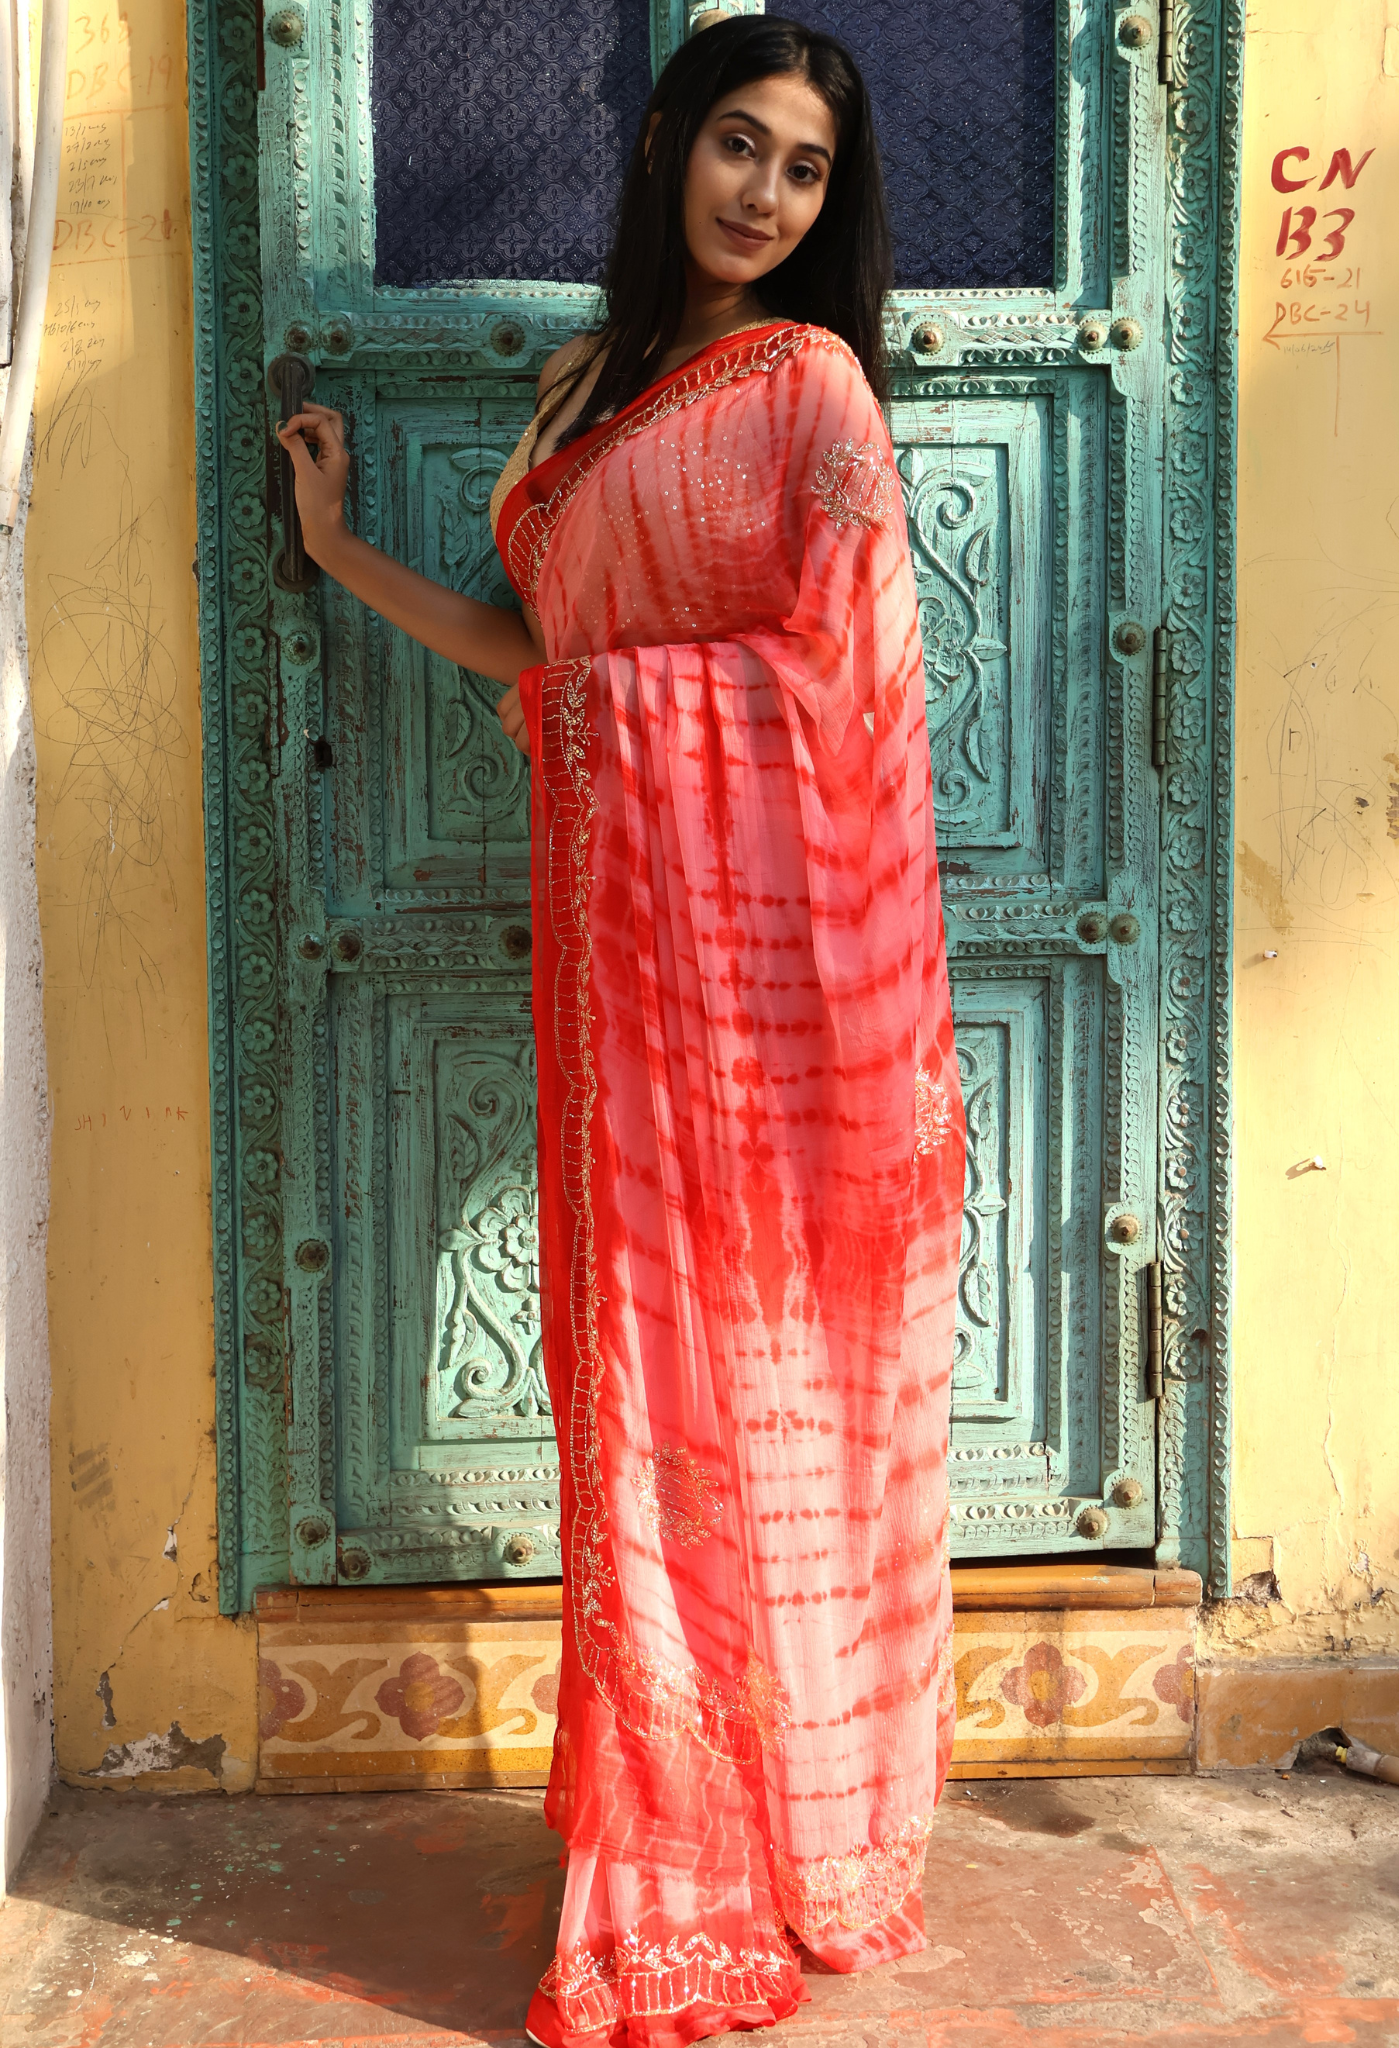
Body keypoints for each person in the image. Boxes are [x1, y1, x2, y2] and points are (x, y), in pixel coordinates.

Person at [278, 18, 965, 2046]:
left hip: (764, 980)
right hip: (617, 954)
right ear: (667, 142)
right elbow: (543, 648)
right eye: (739, 144)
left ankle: (753, 1835)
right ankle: (666, 1806)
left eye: (806, 169)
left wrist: (625, 719)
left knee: (747, 1361)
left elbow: (843, 683)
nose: (766, 194)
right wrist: (339, 554)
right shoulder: (587, 385)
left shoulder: (812, 385)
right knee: (635, 1371)